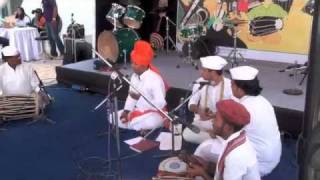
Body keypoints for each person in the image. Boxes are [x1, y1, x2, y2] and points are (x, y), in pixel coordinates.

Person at [186, 99, 261, 180]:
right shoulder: (235, 139)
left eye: (216, 119)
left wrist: (202, 173)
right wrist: (207, 166)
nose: (212, 121)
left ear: (228, 128)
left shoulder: (235, 156)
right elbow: (224, 171)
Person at [230, 65, 281, 176]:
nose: (231, 87)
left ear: (240, 88)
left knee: (210, 148)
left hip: (259, 164)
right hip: (273, 157)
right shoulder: (263, 100)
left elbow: (229, 135)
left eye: (232, 85)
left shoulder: (243, 108)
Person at [112, 40, 167, 131]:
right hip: (138, 111)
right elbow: (131, 97)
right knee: (113, 116)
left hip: (154, 112)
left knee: (149, 122)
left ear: (144, 65)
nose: (132, 66)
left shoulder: (155, 79)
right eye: (132, 62)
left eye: (135, 64)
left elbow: (160, 104)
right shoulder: (134, 77)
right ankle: (134, 122)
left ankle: (135, 123)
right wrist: (126, 111)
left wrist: (140, 99)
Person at [183, 56, 233, 144]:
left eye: (203, 70)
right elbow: (191, 104)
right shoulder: (200, 82)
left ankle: (215, 137)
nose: (200, 72)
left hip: (222, 124)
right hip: (203, 121)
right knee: (187, 134)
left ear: (213, 72)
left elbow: (234, 111)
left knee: (231, 131)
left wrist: (216, 116)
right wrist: (199, 110)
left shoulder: (230, 86)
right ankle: (216, 139)